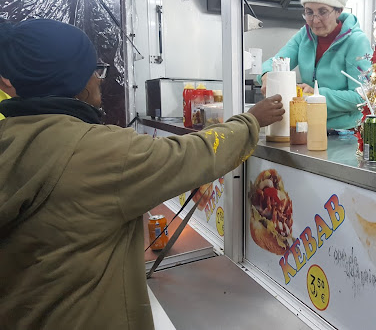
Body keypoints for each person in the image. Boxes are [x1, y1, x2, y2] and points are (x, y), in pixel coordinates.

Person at [0, 19, 284, 329]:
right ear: (73, 81)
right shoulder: (98, 151)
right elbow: (194, 154)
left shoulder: (10, 137)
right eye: (94, 71)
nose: (99, 80)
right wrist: (250, 121)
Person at [258, 0, 372, 130]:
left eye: (323, 12)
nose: (315, 20)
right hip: (310, 127)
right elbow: (278, 61)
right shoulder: (304, 36)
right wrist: (266, 74)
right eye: (309, 12)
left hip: (346, 132)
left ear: (338, 11)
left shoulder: (357, 42)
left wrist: (316, 94)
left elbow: (362, 97)